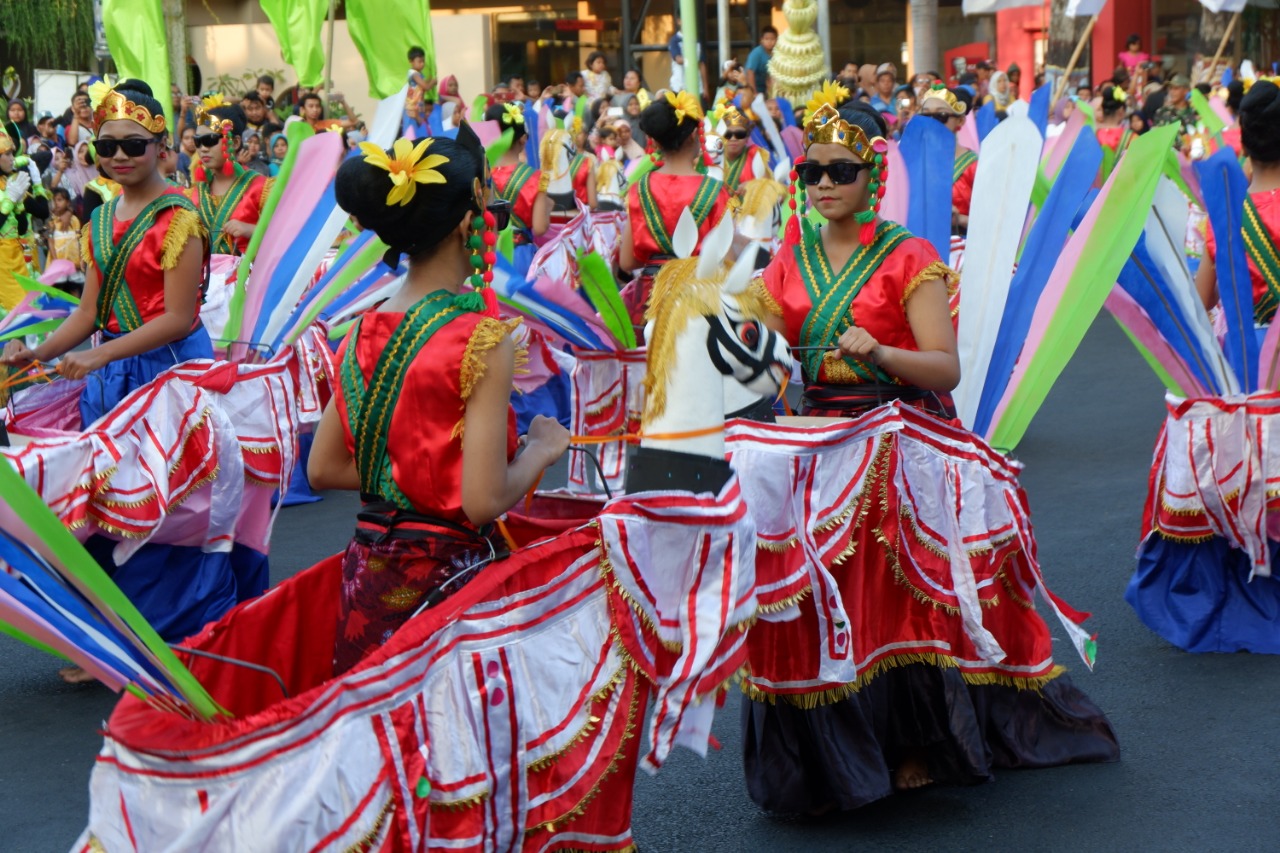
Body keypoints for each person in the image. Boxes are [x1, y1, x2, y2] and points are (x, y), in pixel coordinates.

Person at [742, 86, 1119, 815]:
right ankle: (826, 754)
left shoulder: (907, 255)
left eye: (839, 170)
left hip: (896, 439)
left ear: (872, 173)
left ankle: (915, 739)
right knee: (813, 599)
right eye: (811, 171)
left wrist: (880, 349)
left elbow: (945, 368)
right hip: (816, 444)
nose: (823, 184)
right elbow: (765, 353)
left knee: (894, 599)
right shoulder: (787, 259)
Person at [307, 123, 569, 672]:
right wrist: (540, 450)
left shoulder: (359, 330)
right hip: (447, 581)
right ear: (469, 225)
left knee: (376, 733)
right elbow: (483, 500)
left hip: (368, 576)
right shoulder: (481, 338)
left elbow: (324, 468)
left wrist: (415, 465)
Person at [618, 91, 731, 323]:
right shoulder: (715, 191)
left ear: (656, 141)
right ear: (693, 136)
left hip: (649, 300)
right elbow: (726, 260)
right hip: (698, 298)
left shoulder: (639, 189)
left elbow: (627, 262)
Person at [185, 98, 271, 256]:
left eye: (209, 140)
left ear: (236, 142)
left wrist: (251, 230)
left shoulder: (261, 188)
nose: (203, 149)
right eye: (198, 141)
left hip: (247, 277)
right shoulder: (196, 192)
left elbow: (287, 233)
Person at [486, 102, 545, 279]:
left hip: (487, 252)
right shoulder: (536, 177)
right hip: (521, 255)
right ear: (523, 139)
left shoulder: (482, 175)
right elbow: (540, 227)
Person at [917, 85, 975, 235]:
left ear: (960, 121)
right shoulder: (912, 161)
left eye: (941, 116)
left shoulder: (974, 166)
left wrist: (960, 219)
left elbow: (993, 222)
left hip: (962, 249)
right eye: (925, 116)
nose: (932, 122)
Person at [0, 133, 49, 309]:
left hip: (17, 258)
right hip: (2, 263)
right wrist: (8, 202)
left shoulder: (11, 183)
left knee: (27, 316)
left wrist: (37, 183)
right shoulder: (10, 188)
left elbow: (41, 212)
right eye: (8, 154)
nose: (13, 159)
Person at [720, 105, 768, 195]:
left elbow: (769, 186)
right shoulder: (711, 157)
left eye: (740, 134)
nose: (733, 138)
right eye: (727, 134)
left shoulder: (754, 156)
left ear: (747, 137)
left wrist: (753, 186)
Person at [1095, 85, 1134, 182]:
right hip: (1121, 188)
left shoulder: (1092, 136)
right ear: (1121, 111)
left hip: (1095, 192)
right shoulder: (1131, 138)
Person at [44, 186, 82, 271]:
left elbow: (79, 240)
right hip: (58, 263)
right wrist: (55, 261)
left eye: (59, 200)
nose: (56, 203)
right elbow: (51, 242)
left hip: (74, 263)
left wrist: (81, 259)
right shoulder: (51, 221)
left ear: (68, 203)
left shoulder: (74, 220)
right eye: (54, 200)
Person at [745, 25, 778, 96]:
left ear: (777, 40)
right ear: (761, 40)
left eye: (772, 39)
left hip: (767, 90)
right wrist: (754, 92)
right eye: (767, 39)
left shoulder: (777, 53)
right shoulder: (756, 53)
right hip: (752, 89)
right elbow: (750, 72)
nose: (770, 42)